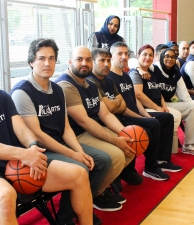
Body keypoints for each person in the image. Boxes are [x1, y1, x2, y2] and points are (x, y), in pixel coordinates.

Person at [0, 42, 93, 225]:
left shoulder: (1, 96)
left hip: (17, 165)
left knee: (79, 174)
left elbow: (22, 129)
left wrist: (32, 148)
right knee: (6, 195)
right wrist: (25, 154)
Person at [10, 38, 112, 225]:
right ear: (31, 61)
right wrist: (73, 155)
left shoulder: (57, 89)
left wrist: (79, 152)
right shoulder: (21, 92)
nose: (47, 63)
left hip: (60, 145)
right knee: (80, 167)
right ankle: (70, 218)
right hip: (40, 152)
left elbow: (65, 127)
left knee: (101, 160)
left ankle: (68, 214)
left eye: (51, 58)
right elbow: (38, 135)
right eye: (41, 58)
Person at [55, 46, 135, 212]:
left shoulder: (90, 84)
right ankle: (90, 197)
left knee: (131, 145)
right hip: (76, 135)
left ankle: (99, 191)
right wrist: (115, 140)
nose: (84, 63)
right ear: (70, 62)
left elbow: (105, 114)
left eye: (88, 59)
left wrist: (124, 133)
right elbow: (84, 122)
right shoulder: (65, 85)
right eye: (79, 59)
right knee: (116, 156)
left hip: (93, 130)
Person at [88, 47, 181, 182]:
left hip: (128, 113)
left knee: (166, 118)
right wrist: (128, 110)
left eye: (126, 53)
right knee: (150, 126)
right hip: (118, 118)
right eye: (119, 54)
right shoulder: (106, 77)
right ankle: (145, 167)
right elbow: (112, 108)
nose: (124, 56)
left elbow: (127, 102)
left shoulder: (124, 76)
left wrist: (143, 116)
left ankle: (160, 160)